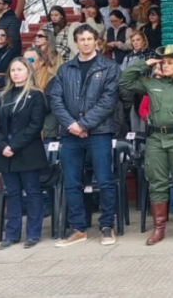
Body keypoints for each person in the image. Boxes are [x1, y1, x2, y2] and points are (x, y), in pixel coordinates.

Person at [120, 45, 173, 245]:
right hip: (156, 139)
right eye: (163, 62)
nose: (165, 66)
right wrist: (145, 63)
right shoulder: (151, 84)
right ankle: (159, 229)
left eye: (170, 62)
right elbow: (125, 80)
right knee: (157, 183)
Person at [51, 24, 120, 247]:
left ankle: (107, 226)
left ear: (96, 41)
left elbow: (108, 101)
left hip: (99, 131)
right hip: (70, 133)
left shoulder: (109, 66)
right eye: (82, 39)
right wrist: (72, 124)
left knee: (105, 180)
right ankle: (78, 229)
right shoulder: (65, 69)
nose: (86, 43)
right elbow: (56, 100)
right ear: (76, 42)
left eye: (90, 39)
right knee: (72, 182)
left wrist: (83, 124)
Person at [0, 57, 48, 249]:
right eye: (13, 70)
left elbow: (34, 126)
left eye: (19, 69)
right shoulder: (2, 96)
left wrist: (13, 146)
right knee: (12, 193)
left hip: (27, 152)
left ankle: (33, 233)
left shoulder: (36, 95)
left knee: (32, 192)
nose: (15, 73)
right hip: (5, 152)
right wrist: (2, 146)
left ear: (28, 72)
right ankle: (12, 233)